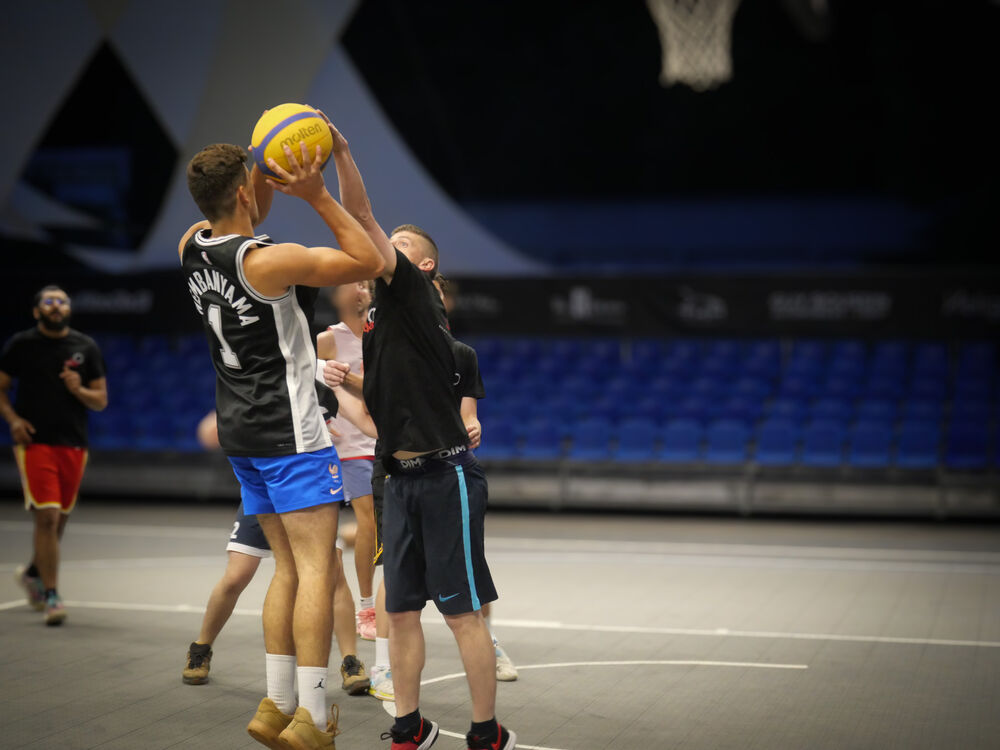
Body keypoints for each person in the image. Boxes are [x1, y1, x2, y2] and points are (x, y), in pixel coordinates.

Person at [178, 136, 382, 750]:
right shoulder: (270, 262)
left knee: (287, 569)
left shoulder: (190, 244)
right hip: (291, 433)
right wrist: (315, 193)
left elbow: (243, 215)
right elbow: (368, 258)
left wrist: (260, 172)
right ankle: (313, 717)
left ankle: (277, 704)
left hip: (241, 432)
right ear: (244, 192)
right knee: (318, 569)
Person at [327, 116, 516, 750]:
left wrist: (335, 161)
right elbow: (384, 411)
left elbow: (360, 216)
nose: (385, 244)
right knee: (399, 612)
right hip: (398, 479)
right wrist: (345, 390)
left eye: (398, 242)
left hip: (444, 477)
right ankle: (409, 727)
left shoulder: (412, 294)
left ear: (424, 264)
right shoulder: (380, 321)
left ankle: (485, 733)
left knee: (461, 614)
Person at [182, 413, 370, 697]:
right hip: (267, 483)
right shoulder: (261, 394)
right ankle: (201, 648)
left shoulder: (324, 392)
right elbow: (209, 430)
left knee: (333, 571)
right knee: (237, 575)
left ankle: (350, 661)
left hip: (306, 485)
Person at [0, 285, 108, 626]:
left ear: (69, 309)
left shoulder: (85, 347)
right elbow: (1, 388)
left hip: (73, 443)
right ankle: (51, 595)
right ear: (37, 311)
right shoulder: (21, 344)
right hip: (35, 442)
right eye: (49, 301)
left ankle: (33, 572)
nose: (56, 306)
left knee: (58, 521)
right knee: (46, 517)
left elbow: (101, 400)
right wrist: (14, 420)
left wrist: (79, 389)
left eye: (62, 301)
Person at [316, 281, 378, 641]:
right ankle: (366, 607)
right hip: (349, 447)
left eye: (367, 283)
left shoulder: (382, 335)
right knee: (368, 518)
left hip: (382, 442)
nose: (362, 288)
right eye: (354, 283)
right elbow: (299, 381)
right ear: (338, 296)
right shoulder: (329, 340)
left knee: (376, 523)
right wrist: (321, 417)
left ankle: (345, 540)